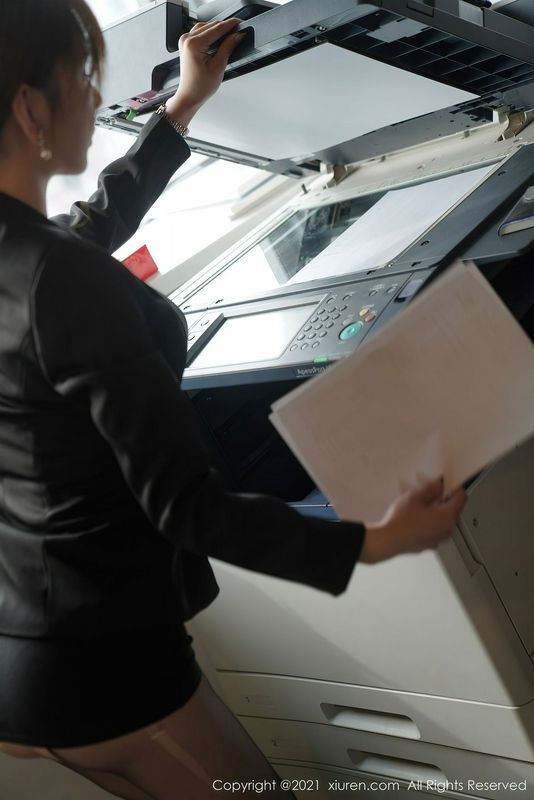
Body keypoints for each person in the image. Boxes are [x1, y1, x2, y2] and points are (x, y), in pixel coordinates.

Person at [0, 1, 466, 798]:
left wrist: (182, 109)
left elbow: (89, 228)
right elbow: (190, 507)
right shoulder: (61, 279)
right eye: (81, 79)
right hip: (107, 671)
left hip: (31, 651)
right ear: (29, 108)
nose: (96, 97)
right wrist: (377, 541)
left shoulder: (25, 258)